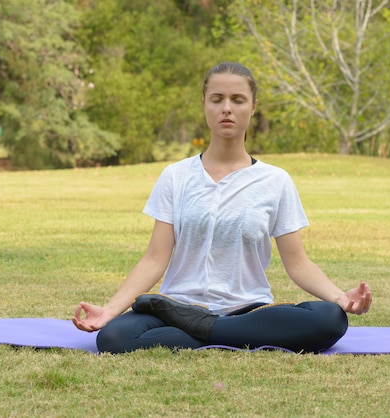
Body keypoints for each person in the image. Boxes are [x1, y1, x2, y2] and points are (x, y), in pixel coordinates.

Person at [72, 62, 372, 354]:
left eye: (237, 100)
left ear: (253, 106)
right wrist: (110, 310)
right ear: (204, 104)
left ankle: (203, 327)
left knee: (330, 319)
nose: (226, 108)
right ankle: (218, 331)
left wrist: (339, 298)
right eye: (217, 99)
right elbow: (154, 258)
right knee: (113, 338)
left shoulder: (275, 181)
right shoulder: (176, 177)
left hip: (249, 309)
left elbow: (298, 263)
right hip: (177, 305)